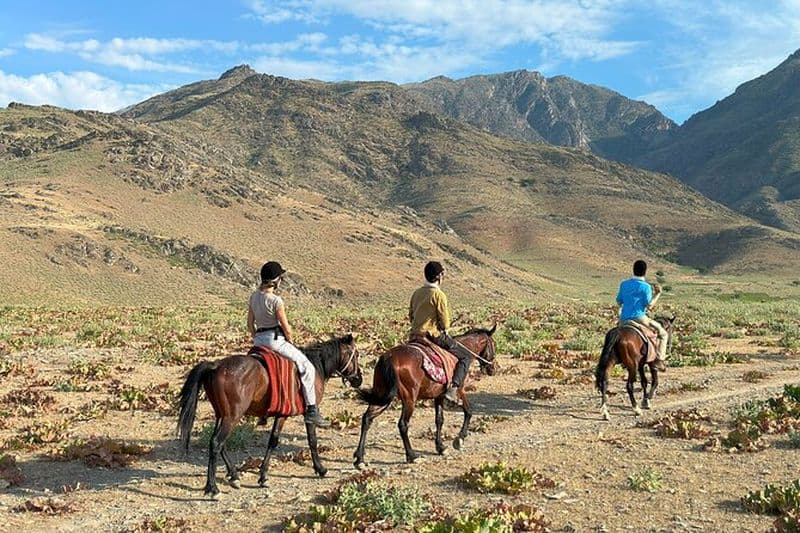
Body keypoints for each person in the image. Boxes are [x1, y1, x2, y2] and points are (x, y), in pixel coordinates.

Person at [247, 261, 329, 427]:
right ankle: (312, 409)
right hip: (274, 340)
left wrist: (257, 338)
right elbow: (287, 328)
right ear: (275, 280)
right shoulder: (276, 301)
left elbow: (250, 324)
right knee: (307, 367)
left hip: (259, 341)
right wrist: (291, 342)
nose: (281, 281)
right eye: (280, 278)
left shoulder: (253, 297)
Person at [408, 261, 473, 403]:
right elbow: (444, 322)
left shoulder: (416, 293)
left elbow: (411, 315)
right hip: (433, 336)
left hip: (414, 335)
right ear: (439, 277)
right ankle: (453, 388)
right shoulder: (439, 295)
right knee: (465, 357)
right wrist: (445, 328)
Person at [616, 259, 669, 371]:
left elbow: (619, 301)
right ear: (645, 271)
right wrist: (658, 294)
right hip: (640, 318)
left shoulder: (624, 284)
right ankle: (659, 360)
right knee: (663, 333)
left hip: (624, 319)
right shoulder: (646, 287)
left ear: (633, 270)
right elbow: (649, 306)